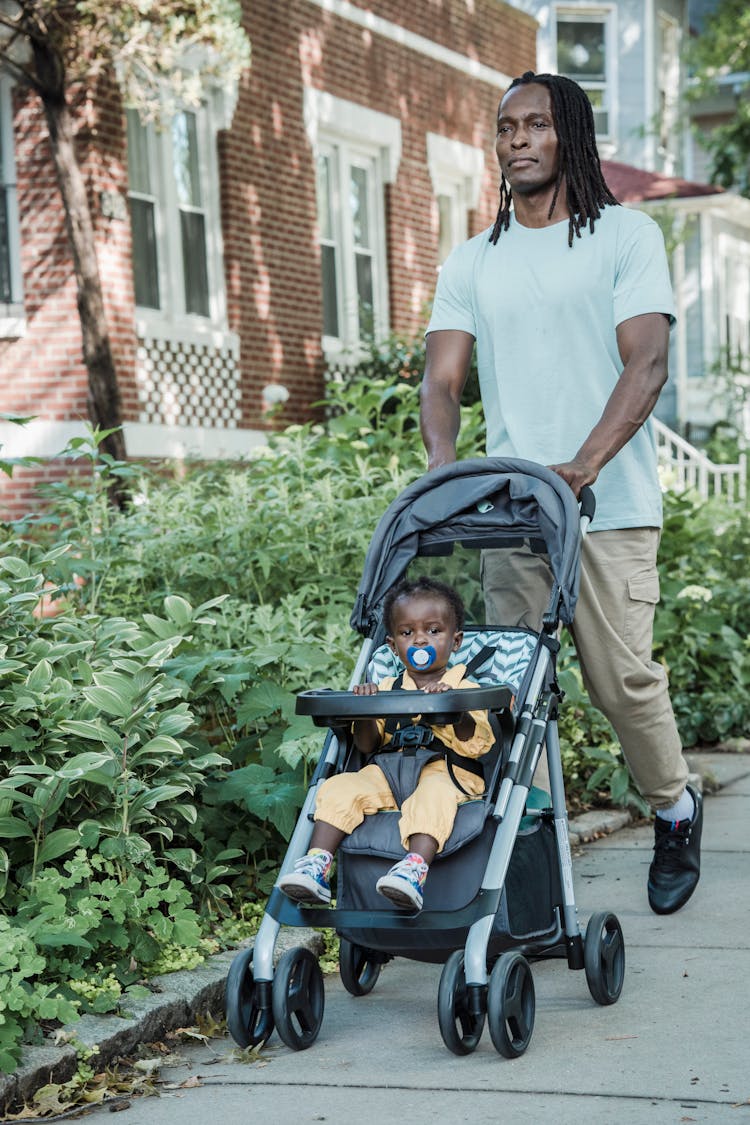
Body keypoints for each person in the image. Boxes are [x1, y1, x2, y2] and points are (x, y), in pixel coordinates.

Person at [419, 71, 702, 916]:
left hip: (607, 507)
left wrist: (582, 464)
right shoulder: (473, 260)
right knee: (513, 691)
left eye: (537, 125)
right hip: (514, 517)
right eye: (507, 127)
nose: (517, 139)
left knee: (622, 682)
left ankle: (675, 808)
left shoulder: (624, 236)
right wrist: (443, 461)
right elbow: (442, 378)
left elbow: (645, 364)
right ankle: (525, 851)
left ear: (569, 135)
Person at [278, 576, 494, 911]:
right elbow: (367, 746)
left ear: (455, 641)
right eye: (408, 633)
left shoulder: (465, 687)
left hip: (447, 773)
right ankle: (316, 864)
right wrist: (366, 709)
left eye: (434, 631)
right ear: (394, 646)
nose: (420, 639)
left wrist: (454, 707)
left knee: (432, 795)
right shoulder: (387, 685)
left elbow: (475, 743)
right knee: (340, 786)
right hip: (388, 773)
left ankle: (413, 871)